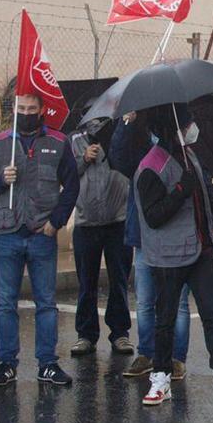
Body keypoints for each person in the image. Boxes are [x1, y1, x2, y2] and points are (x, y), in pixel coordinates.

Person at [132, 103, 213, 410]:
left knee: (211, 316)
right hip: (168, 256)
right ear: (170, 128)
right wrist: (180, 189)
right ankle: (161, 377)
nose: (191, 128)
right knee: (164, 320)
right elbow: (153, 216)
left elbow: (206, 202)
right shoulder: (150, 166)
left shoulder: (191, 156)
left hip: (201, 250)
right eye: (185, 124)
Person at [0, 94, 80, 388]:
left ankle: (47, 363)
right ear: (14, 110)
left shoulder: (59, 142)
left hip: (42, 234)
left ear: (43, 110)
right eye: (22, 109)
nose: (28, 113)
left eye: (33, 109)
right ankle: (7, 364)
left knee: (46, 303)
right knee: (6, 303)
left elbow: (72, 185)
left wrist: (56, 222)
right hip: (7, 233)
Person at [113, 112, 190, 380]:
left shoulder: (184, 151)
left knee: (178, 302)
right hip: (144, 237)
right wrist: (128, 122)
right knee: (145, 301)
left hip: (177, 239)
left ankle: (177, 358)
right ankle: (146, 353)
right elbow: (118, 156)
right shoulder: (140, 150)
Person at [68, 117, 133, 358]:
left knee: (119, 279)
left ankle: (120, 333)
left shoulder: (121, 132)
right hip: (86, 223)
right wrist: (83, 159)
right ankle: (85, 335)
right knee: (86, 282)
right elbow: (64, 174)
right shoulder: (73, 139)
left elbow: (130, 162)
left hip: (118, 220)